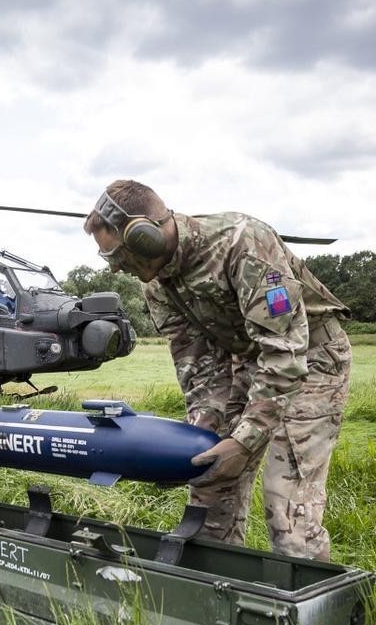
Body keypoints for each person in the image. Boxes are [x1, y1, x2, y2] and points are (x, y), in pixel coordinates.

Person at [84, 180, 351, 561]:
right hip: (246, 360)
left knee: (288, 508)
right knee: (208, 478)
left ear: (144, 236)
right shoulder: (158, 285)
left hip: (311, 360)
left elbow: (285, 353)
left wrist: (244, 441)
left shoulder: (243, 244)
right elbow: (199, 368)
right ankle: (217, 603)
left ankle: (310, 612)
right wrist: (198, 438)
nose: (117, 269)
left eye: (118, 256)